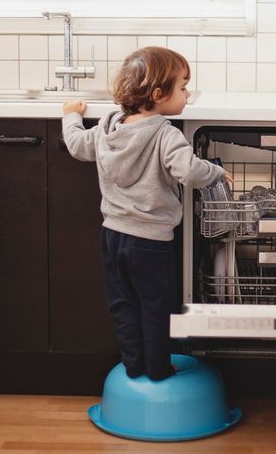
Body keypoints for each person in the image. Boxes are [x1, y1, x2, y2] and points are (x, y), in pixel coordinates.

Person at [61, 46, 232, 381]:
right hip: (150, 243)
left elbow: (77, 146)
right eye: (183, 87)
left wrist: (70, 115)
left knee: (123, 303)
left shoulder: (108, 127)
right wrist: (215, 172)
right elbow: (190, 173)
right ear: (158, 95)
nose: (187, 94)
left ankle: (134, 363)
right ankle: (157, 369)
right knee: (154, 308)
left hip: (112, 236)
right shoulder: (165, 134)